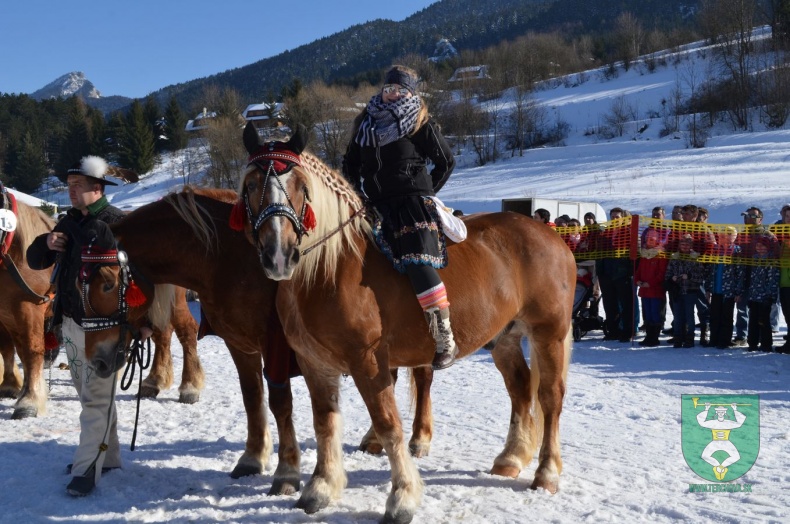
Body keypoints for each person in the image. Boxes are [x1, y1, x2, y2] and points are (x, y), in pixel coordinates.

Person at [342, 65, 457, 370]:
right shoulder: (365, 122)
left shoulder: (419, 120)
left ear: (410, 93)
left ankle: (445, 337)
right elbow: (350, 164)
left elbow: (445, 161)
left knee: (418, 263)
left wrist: (424, 191)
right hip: (374, 206)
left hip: (411, 204)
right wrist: (358, 195)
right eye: (388, 87)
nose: (392, 92)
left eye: (399, 89)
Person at [26, 156, 129, 496]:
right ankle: (109, 456)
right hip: (68, 322)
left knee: (95, 400)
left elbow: (139, 281)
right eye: (69, 186)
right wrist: (46, 244)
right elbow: (35, 261)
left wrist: (140, 327)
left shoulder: (119, 225)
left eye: (77, 186)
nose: (70, 192)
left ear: (97, 188)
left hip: (105, 328)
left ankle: (87, 469)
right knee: (91, 395)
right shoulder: (67, 222)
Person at [596, 207, 634, 342]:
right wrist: (599, 270)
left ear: (622, 218)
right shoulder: (605, 232)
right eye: (612, 217)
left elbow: (634, 254)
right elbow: (599, 252)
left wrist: (630, 271)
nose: (614, 219)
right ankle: (613, 331)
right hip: (606, 273)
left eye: (617, 217)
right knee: (609, 305)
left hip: (622, 273)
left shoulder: (628, 232)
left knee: (625, 304)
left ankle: (627, 331)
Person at [665, 234, 707, 348]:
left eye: (687, 244)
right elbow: (667, 273)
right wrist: (671, 278)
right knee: (678, 316)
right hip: (677, 291)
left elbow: (701, 275)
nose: (684, 246)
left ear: (691, 246)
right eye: (682, 244)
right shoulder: (674, 257)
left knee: (689, 316)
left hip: (690, 290)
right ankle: (678, 337)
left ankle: (690, 338)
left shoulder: (696, 257)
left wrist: (689, 276)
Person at [705, 227, 744, 349]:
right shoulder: (715, 250)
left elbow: (740, 273)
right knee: (714, 315)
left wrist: (738, 291)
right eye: (722, 235)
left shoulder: (736, 251)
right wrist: (708, 288)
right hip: (716, 289)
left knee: (727, 316)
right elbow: (709, 271)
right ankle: (714, 339)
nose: (724, 238)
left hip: (729, 291)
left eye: (728, 235)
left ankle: (725, 340)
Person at [741, 233, 780, 352]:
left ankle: (766, 344)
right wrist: (750, 296)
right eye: (758, 245)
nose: (760, 248)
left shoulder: (771, 260)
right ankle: (752, 343)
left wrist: (770, 296)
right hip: (754, 296)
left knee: (764, 321)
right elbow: (752, 278)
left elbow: (773, 279)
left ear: (768, 247)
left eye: (763, 246)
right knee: (753, 321)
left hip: (765, 297)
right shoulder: (754, 258)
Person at [734, 207, 764, 346]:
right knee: (742, 307)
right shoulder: (740, 235)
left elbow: (775, 256)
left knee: (759, 309)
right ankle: (741, 335)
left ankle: (758, 336)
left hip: (761, 276)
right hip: (743, 275)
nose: (748, 219)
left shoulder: (767, 235)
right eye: (746, 216)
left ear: (760, 219)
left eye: (752, 216)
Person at [634, 228, 669, 346]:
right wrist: (637, 280)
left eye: (653, 239)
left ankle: (654, 337)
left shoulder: (661, 255)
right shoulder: (644, 254)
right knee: (647, 313)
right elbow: (638, 270)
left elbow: (661, 273)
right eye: (648, 239)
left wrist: (651, 283)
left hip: (655, 290)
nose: (650, 241)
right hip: (644, 290)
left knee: (655, 314)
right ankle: (649, 336)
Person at [774, 204, 790, 354]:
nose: (789, 219)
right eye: (787, 216)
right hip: (783, 280)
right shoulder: (780, 233)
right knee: (787, 313)